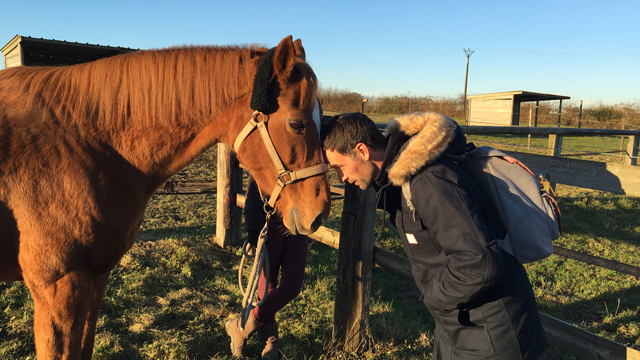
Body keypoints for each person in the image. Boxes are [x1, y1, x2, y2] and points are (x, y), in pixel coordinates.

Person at [320, 112, 547, 360]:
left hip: (493, 332)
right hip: (460, 323)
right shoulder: (399, 180)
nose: (342, 178)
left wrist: (433, 297)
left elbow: (479, 262)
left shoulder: (430, 181)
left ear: (362, 150)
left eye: (339, 167)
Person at [225, 174, 309, 359]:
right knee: (267, 284)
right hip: (271, 220)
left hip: (300, 218)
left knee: (291, 287)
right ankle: (270, 339)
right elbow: (255, 184)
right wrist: (254, 230)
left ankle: (241, 327)